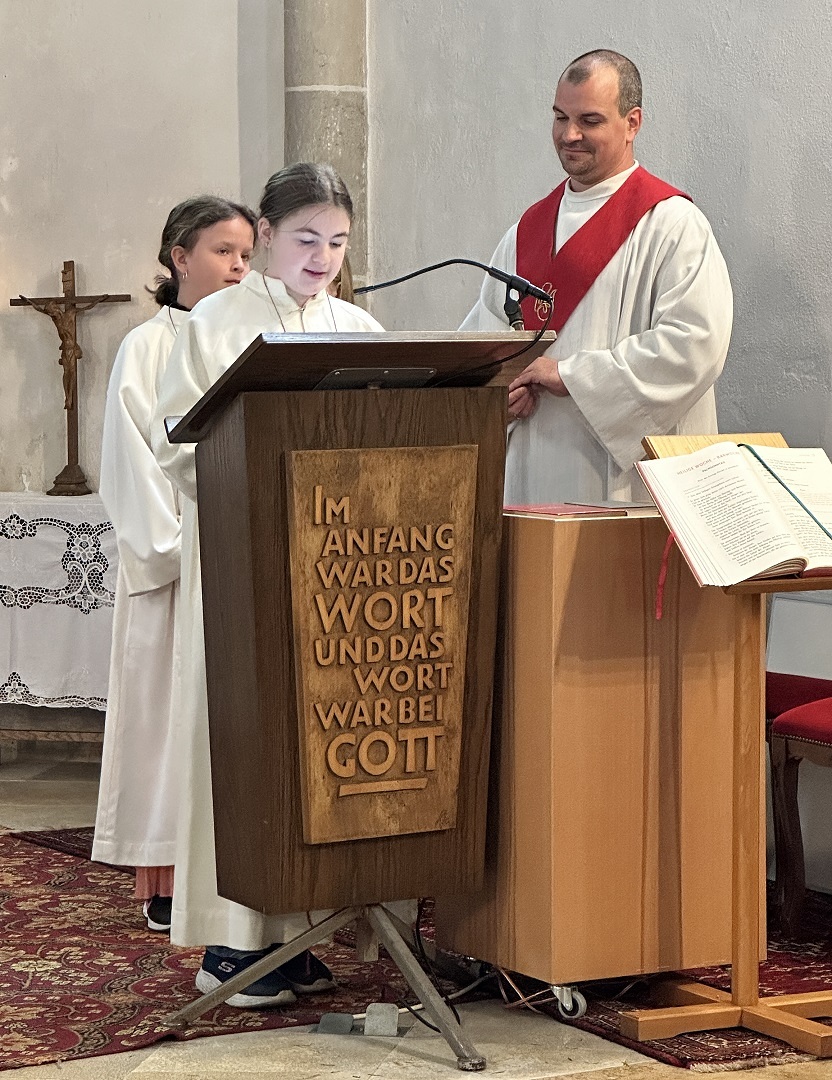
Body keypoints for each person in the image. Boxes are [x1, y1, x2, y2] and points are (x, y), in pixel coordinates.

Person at [152, 163, 400, 1008]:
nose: (322, 257)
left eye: (338, 241)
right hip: (245, 564)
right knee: (247, 745)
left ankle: (300, 936)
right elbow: (178, 443)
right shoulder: (215, 323)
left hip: (337, 573)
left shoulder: (358, 327)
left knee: (320, 742)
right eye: (306, 238)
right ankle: (234, 943)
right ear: (264, 234)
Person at [461, 49, 733, 504]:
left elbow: (695, 345)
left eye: (589, 120)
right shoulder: (525, 233)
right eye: (560, 117)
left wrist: (573, 376)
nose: (570, 135)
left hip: (626, 486)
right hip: (530, 476)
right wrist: (495, 397)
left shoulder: (672, 225)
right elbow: (482, 347)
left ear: (632, 123)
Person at [93, 196, 257, 933]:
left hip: (243, 560)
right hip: (178, 568)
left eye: (248, 254)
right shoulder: (148, 346)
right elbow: (132, 462)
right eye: (224, 252)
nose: (240, 267)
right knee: (169, 725)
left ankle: (235, 874)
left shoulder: (250, 340)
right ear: (179, 257)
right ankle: (166, 875)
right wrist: (179, 550)